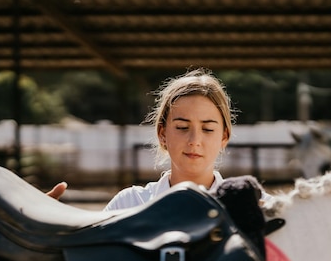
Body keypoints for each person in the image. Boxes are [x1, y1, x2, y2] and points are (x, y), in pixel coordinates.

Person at [47, 68, 271, 210]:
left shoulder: (256, 206)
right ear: (162, 134)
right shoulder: (130, 204)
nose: (195, 140)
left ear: (224, 137)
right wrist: (46, 223)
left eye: (208, 129)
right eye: (182, 127)